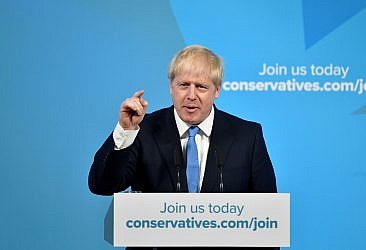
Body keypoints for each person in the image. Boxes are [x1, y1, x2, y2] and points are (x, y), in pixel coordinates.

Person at [88, 45, 278, 249]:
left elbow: (267, 221)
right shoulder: (142, 130)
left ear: (217, 90)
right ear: (171, 86)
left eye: (201, 87)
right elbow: (101, 185)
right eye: (184, 85)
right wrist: (125, 131)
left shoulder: (247, 136)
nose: (191, 95)